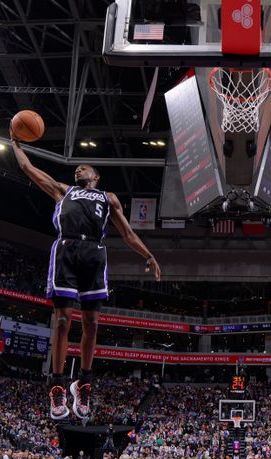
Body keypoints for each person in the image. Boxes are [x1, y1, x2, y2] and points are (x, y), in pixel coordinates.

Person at [10, 139, 161, 421]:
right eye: (77, 168)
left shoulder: (109, 197)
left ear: (96, 177)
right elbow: (26, 167)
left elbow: (127, 233)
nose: (79, 168)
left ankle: (83, 383)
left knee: (92, 323)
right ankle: (56, 385)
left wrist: (148, 255)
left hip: (95, 252)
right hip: (66, 249)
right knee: (63, 320)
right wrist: (15, 143)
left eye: (85, 168)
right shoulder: (62, 190)